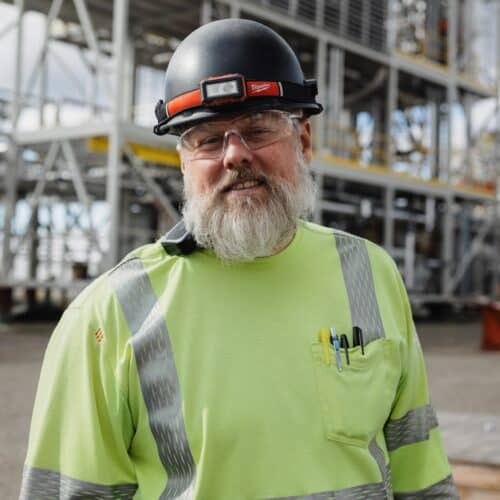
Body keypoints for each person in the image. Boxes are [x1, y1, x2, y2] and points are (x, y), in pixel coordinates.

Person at [20, 18, 458, 499]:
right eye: (208, 139)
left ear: (304, 141)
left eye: (258, 129)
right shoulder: (108, 316)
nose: (235, 155)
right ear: (184, 161)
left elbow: (421, 473)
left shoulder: (371, 274)